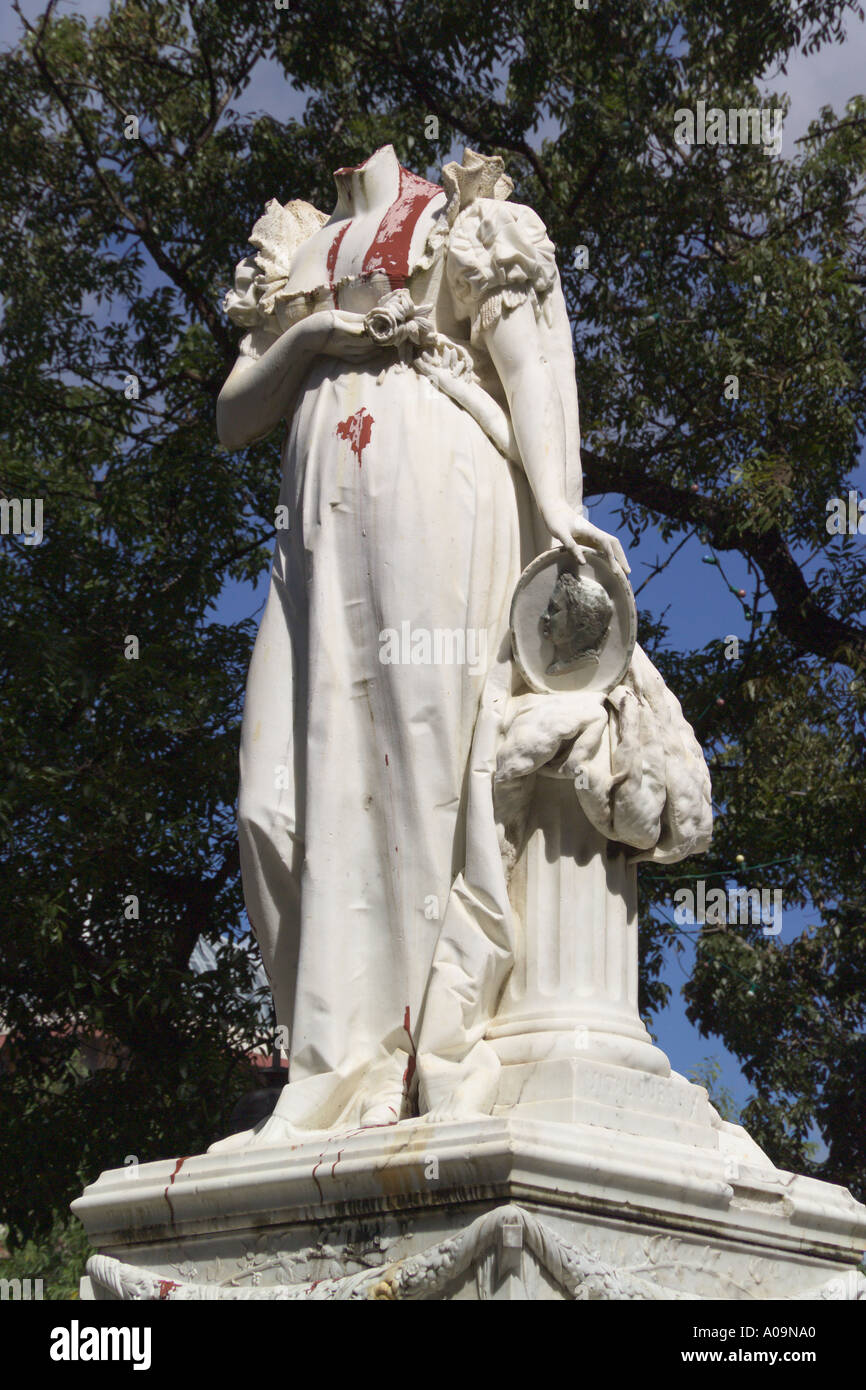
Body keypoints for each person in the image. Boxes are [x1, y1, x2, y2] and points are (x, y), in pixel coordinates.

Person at [213, 145, 628, 1144]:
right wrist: (315, 328)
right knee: (272, 801)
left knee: (422, 773)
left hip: (430, 481)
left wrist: (559, 503)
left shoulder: (460, 216)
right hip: (312, 531)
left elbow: (528, 361)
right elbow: (234, 416)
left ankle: (418, 1050)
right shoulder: (298, 244)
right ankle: (326, 1054)